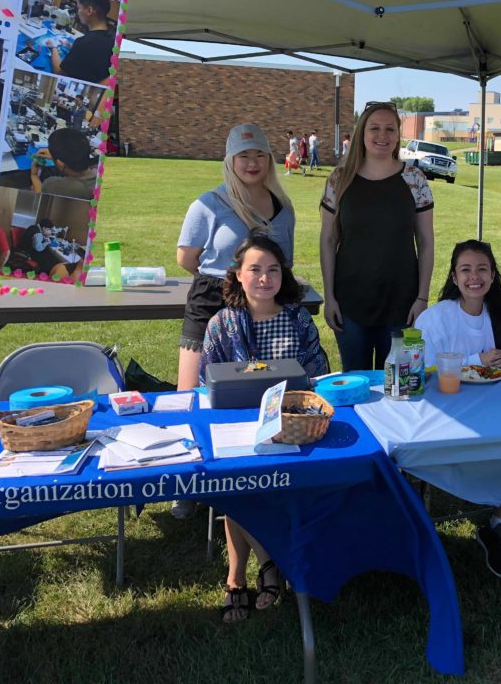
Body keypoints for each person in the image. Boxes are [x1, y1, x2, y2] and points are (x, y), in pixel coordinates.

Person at [200, 235, 329, 622]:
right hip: (237, 429)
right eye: (255, 269)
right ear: (238, 275)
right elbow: (208, 387)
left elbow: (318, 376)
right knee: (238, 479)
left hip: (294, 429)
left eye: (273, 270)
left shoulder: (297, 318)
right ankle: (265, 564)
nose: (264, 278)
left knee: (239, 488)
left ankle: (237, 578)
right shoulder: (221, 324)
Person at [175, 123, 295, 518]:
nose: (252, 162)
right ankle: (188, 482)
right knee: (192, 394)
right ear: (229, 160)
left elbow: (284, 262)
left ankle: (249, 469)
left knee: (255, 389)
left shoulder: (282, 207)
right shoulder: (208, 203)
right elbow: (186, 258)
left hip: (260, 302)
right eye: (243, 155)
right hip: (212, 297)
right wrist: (225, 279)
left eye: (259, 154)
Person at [415, 240, 501, 579]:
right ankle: (500, 527)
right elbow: (423, 372)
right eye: (466, 270)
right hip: (449, 413)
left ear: (493, 275)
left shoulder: (499, 315)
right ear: (454, 277)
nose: (474, 277)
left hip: (496, 408)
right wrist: (474, 361)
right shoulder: (436, 318)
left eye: (482, 269)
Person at [319, 101, 435, 371]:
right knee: (355, 385)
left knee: (397, 385)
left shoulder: (415, 178)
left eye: (389, 129)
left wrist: (422, 298)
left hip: (402, 304)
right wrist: (329, 297)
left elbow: (426, 242)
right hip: (349, 304)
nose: (382, 136)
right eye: (374, 128)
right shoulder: (339, 179)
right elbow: (327, 240)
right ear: (362, 133)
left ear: (398, 135)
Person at [50, 0, 113, 84]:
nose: (77, 12)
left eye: (78, 7)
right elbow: (93, 55)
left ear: (89, 10)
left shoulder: (83, 43)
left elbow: (59, 72)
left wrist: (53, 47)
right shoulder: (111, 39)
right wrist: (72, 47)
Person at [33, 128, 97, 199]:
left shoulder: (54, 185)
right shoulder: (99, 175)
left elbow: (40, 197)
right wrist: (55, 156)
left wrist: (34, 175)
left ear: (60, 163)